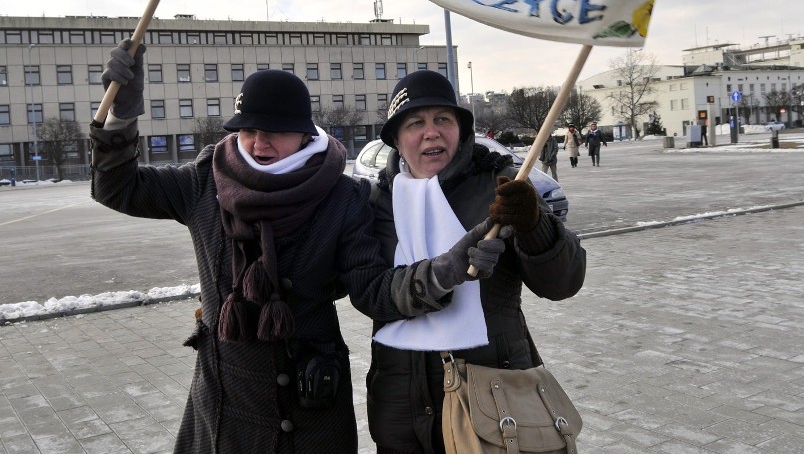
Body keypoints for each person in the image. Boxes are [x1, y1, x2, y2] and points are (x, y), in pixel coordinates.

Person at [90, 42, 508, 454]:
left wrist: (443, 271)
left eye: (273, 133)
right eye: (248, 131)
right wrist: (121, 116)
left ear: (304, 134)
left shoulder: (342, 197)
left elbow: (372, 291)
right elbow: (118, 189)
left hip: (311, 405)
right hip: (225, 403)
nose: (258, 144)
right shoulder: (204, 181)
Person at [365, 71, 586, 454]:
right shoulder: (376, 204)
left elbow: (562, 282)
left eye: (443, 120)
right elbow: (368, 291)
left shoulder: (500, 183)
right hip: (401, 406)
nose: (431, 132)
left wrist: (534, 224)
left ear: (460, 131)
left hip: (495, 402)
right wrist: (443, 272)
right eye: (416, 122)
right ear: (397, 140)